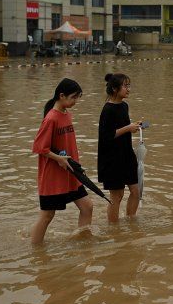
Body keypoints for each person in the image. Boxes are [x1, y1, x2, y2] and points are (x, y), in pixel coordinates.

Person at [31, 78, 93, 245]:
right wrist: (59, 159)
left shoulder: (67, 114)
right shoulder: (51, 118)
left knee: (87, 207)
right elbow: (39, 147)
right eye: (73, 97)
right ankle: (36, 253)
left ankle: (83, 243)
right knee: (47, 215)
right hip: (53, 176)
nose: (76, 101)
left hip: (70, 174)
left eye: (78, 97)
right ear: (61, 95)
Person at [98, 73, 142, 223]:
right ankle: (113, 229)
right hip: (112, 158)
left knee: (136, 191)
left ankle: (131, 223)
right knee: (117, 196)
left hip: (127, 154)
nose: (128, 89)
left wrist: (133, 128)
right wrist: (128, 128)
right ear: (115, 89)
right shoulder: (107, 110)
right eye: (125, 86)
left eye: (129, 85)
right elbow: (107, 136)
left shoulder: (124, 106)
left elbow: (122, 129)